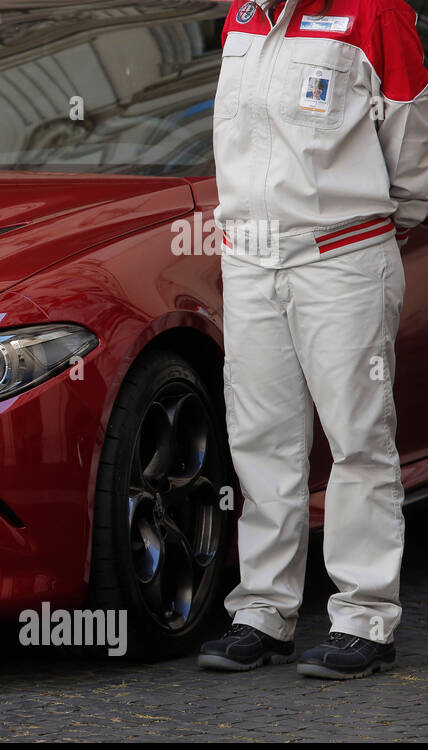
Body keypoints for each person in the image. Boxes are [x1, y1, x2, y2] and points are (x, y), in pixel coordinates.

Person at [199, 0, 428, 678]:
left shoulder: (376, 12)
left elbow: (412, 135)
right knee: (261, 438)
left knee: (358, 435)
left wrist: (393, 217)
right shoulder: (241, 14)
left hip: (343, 254)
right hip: (250, 258)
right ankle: (262, 612)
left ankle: (364, 617)